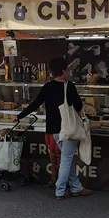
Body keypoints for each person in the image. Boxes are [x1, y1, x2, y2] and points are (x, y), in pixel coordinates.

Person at [18, 57, 92, 200]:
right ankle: (59, 190)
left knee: (67, 158)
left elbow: (35, 103)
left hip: (53, 130)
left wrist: (20, 115)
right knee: (66, 160)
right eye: (68, 69)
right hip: (68, 129)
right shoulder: (69, 86)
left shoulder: (47, 86)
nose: (69, 71)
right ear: (64, 70)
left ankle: (77, 188)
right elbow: (78, 106)